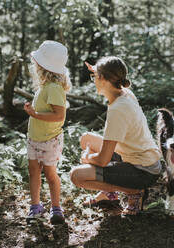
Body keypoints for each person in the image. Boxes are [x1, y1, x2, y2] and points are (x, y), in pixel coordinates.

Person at [70, 56, 162, 215]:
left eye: (94, 77)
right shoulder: (124, 92)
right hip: (139, 157)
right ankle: (109, 194)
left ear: (103, 78)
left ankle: (133, 192)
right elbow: (111, 73)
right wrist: (97, 68)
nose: (93, 80)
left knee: (76, 176)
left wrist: (88, 158)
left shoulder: (118, 109)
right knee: (86, 139)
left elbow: (103, 159)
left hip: (143, 171)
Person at [23, 40, 71, 224]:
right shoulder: (45, 87)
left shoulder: (54, 88)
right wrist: (32, 113)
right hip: (35, 139)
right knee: (33, 172)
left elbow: (59, 116)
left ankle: (56, 207)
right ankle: (35, 206)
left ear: (42, 66)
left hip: (50, 140)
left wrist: (34, 113)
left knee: (51, 174)